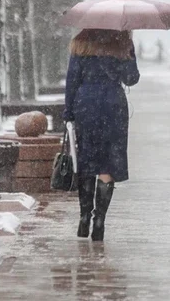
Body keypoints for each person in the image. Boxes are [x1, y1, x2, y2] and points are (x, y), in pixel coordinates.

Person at [63, 28, 140, 241]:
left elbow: (72, 80)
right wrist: (129, 52)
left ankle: (84, 217)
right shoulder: (121, 42)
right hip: (113, 106)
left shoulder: (81, 42)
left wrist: (68, 112)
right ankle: (99, 221)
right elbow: (131, 78)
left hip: (86, 104)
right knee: (108, 162)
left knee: (86, 159)